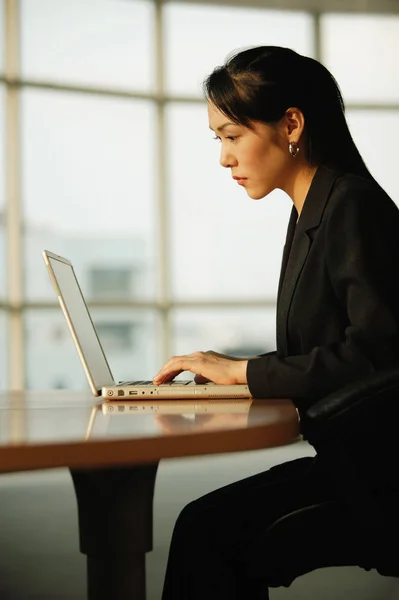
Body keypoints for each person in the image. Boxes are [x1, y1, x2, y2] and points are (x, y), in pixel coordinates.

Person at [153, 46, 399, 599]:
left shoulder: (351, 207)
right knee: (205, 526)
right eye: (218, 139)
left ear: (291, 123)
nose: (224, 158)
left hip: (379, 478)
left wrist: (244, 371)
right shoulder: (312, 208)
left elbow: (378, 355)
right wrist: (233, 373)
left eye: (232, 136)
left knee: (208, 533)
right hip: (352, 461)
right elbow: (335, 348)